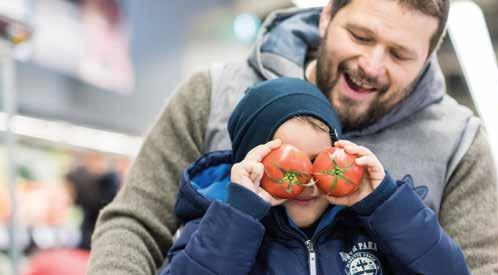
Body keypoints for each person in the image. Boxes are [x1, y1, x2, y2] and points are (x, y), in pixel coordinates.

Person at [88, 1, 498, 274]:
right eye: (360, 36)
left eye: (400, 54)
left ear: (427, 60)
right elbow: (137, 222)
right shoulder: (214, 94)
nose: (372, 64)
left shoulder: (458, 139)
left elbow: (480, 269)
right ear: (326, 16)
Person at [160, 77, 469, 274]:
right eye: (287, 165)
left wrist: (385, 203)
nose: (306, 181)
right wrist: (239, 216)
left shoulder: (370, 227)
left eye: (316, 161)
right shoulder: (213, 227)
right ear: (248, 163)